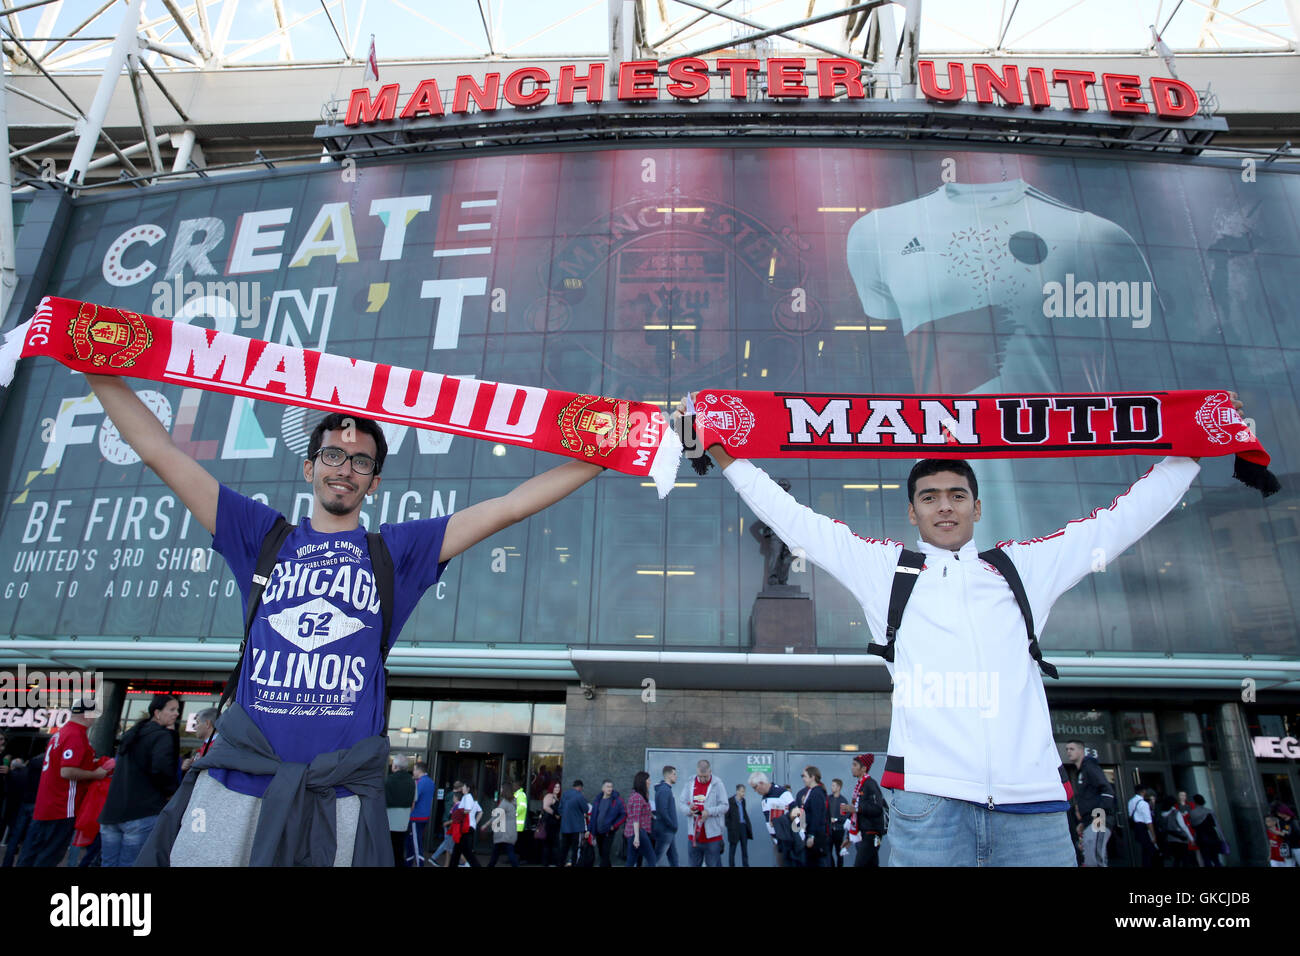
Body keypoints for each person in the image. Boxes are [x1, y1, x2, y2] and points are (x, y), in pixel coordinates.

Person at [687, 391, 1235, 866]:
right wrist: (724, 453)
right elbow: (795, 518)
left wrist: (1193, 448)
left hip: (1035, 809)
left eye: (955, 496)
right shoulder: (886, 571)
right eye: (929, 498)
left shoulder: (1022, 568)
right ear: (912, 513)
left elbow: (1117, 523)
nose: (943, 507)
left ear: (977, 507)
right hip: (928, 807)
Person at [85, 373, 606, 868]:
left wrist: (608, 453)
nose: (345, 468)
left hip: (336, 797)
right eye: (333, 454)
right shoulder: (262, 536)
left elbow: (510, 507)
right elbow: (160, 453)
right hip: (237, 780)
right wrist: (88, 362)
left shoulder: (397, 553)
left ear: (374, 481)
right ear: (310, 467)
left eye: (361, 462)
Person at [18, 699, 110, 867]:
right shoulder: (76, 735)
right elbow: (67, 771)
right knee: (48, 856)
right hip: (62, 806)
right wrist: (95, 774)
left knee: (31, 854)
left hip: (47, 804)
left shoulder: (62, 733)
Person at [99, 694, 181, 867]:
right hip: (141, 812)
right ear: (157, 713)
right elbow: (161, 768)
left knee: (108, 863)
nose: (176, 714)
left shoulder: (132, 735)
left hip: (113, 812)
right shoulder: (162, 736)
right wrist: (170, 792)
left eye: (177, 710)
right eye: (172, 709)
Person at [1064, 740, 1114, 868]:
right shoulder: (1081, 772)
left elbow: (1108, 791)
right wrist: (1084, 822)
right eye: (1067, 749)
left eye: (1072, 749)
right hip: (1090, 822)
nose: (1068, 752)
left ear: (1081, 751)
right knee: (1092, 858)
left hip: (1099, 820)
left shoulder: (1090, 767)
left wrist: (1098, 817)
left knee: (1096, 860)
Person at [678, 759, 727, 867]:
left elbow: (725, 806)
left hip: (713, 838)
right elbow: (681, 803)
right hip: (694, 837)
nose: (703, 779)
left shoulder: (717, 784)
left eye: (705, 776)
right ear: (697, 772)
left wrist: (709, 812)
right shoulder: (690, 783)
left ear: (710, 772)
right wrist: (689, 811)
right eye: (700, 776)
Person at [749, 771, 796, 866]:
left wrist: (800, 837)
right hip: (777, 841)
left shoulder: (782, 793)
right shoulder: (764, 798)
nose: (755, 791)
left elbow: (797, 812)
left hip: (788, 840)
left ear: (761, 783)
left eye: (755, 787)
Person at [1, 754, 40, 867]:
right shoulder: (39, 773)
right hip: (34, 805)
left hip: (22, 806)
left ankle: (7, 863)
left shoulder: (19, 774)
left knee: (14, 837)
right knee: (28, 839)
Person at [847, 754, 885, 868]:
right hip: (865, 833)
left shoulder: (870, 784)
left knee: (860, 863)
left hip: (872, 833)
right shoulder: (861, 785)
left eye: (855, 765)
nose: (852, 767)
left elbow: (877, 808)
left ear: (863, 768)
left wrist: (856, 809)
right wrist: (848, 837)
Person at [795, 766, 831, 868]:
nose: (803, 779)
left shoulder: (816, 793)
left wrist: (811, 835)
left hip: (816, 836)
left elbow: (817, 815)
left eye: (805, 776)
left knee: (817, 862)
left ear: (812, 777)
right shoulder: (810, 792)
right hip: (809, 832)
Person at [384, 755, 415, 867]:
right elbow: (413, 804)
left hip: (388, 823)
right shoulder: (412, 782)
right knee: (399, 852)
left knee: (386, 852)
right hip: (403, 824)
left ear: (395, 766)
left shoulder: (387, 780)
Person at [589, 779, 626, 868]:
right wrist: (591, 831)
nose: (610, 788)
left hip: (608, 831)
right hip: (598, 831)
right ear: (603, 788)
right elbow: (593, 816)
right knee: (602, 853)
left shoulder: (617, 800)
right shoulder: (598, 800)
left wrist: (614, 826)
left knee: (605, 853)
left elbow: (624, 814)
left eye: (611, 787)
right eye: (607, 786)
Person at [624, 771, 657, 867]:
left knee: (631, 861)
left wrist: (654, 816)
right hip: (638, 832)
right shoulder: (638, 797)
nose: (650, 782)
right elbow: (636, 818)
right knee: (652, 859)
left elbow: (644, 813)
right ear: (643, 782)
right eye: (648, 780)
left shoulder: (638, 796)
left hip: (634, 832)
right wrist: (637, 838)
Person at [449, 780, 482, 867]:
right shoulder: (473, 799)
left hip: (464, 827)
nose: (462, 788)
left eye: (463, 786)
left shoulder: (467, 797)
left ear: (468, 788)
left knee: (465, 852)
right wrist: (474, 822)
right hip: (469, 827)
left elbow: (467, 810)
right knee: (458, 850)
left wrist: (458, 814)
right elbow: (480, 812)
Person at [483, 790, 520, 867]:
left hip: (503, 832)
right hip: (511, 831)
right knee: (501, 851)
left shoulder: (504, 804)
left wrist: (486, 825)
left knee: (498, 852)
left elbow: (496, 816)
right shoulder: (514, 803)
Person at [652, 766, 679, 867]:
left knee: (674, 858)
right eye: (674, 774)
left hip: (668, 830)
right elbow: (663, 811)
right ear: (668, 775)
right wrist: (672, 825)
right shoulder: (664, 790)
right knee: (656, 858)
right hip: (665, 831)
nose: (676, 776)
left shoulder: (666, 789)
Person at [409, 761, 435, 866]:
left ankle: (420, 864)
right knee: (413, 842)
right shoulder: (431, 782)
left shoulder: (420, 782)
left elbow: (414, 799)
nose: (413, 772)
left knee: (416, 844)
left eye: (414, 769)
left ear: (419, 770)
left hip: (416, 816)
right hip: (424, 816)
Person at [1188, 794, 1224, 867]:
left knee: (1206, 859)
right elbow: (1216, 824)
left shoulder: (1192, 813)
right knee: (1215, 858)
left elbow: (1193, 825)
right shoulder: (1209, 811)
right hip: (1212, 836)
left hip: (1201, 838)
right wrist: (1222, 837)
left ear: (1195, 802)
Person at [559, 779, 589, 867]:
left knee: (564, 848)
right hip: (576, 827)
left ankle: (561, 864)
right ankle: (573, 864)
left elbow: (560, 809)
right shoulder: (579, 795)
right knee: (575, 849)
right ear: (580, 787)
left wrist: (565, 816)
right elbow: (586, 809)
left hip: (565, 827)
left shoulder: (565, 794)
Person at [1127, 785, 1158, 868]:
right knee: (1150, 851)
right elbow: (1148, 821)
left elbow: (1130, 815)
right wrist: (1153, 836)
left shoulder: (1131, 801)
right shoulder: (1143, 804)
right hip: (1143, 827)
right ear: (1143, 791)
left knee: (1145, 850)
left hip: (1137, 827)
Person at [725, 784, 753, 867]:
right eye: (742, 791)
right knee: (732, 850)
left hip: (743, 827)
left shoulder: (743, 801)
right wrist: (730, 827)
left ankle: (746, 865)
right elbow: (726, 817)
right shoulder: (730, 801)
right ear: (737, 791)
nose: (743, 793)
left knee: (744, 849)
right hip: (734, 829)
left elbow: (744, 812)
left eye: (744, 791)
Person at [539, 780, 562, 866]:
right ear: (552, 787)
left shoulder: (556, 797)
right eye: (555, 787)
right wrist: (555, 813)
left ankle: (551, 863)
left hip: (554, 825)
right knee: (549, 845)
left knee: (552, 845)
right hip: (549, 824)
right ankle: (549, 863)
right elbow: (545, 807)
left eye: (559, 787)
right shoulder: (549, 796)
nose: (557, 788)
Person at [828, 779, 848, 867]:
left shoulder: (843, 801)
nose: (831, 787)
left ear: (839, 787)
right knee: (828, 852)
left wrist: (835, 819)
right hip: (829, 830)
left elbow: (845, 817)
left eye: (833, 785)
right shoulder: (829, 799)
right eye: (831, 785)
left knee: (839, 852)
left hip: (839, 830)